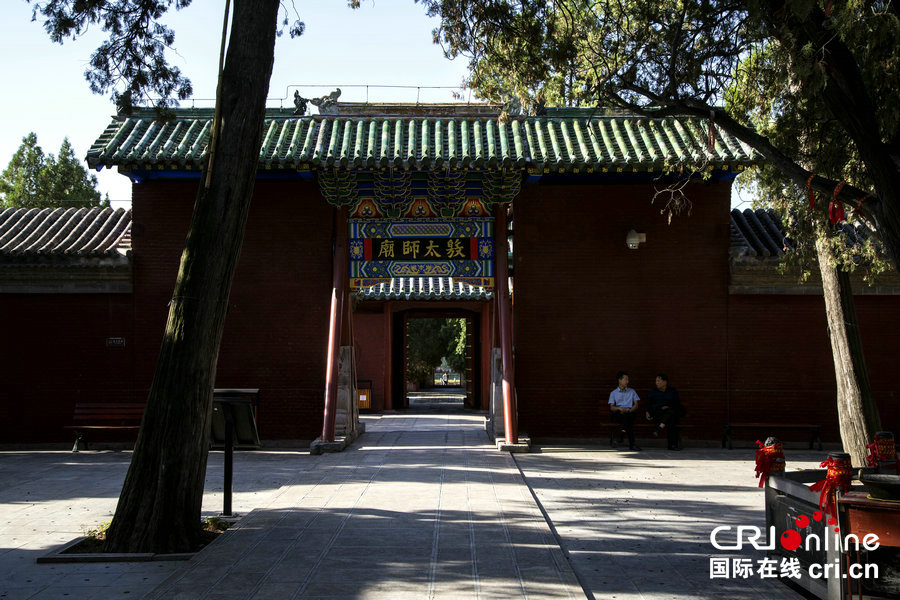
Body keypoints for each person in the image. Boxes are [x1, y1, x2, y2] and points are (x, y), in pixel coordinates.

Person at [645, 373, 684, 451]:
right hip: (658, 414)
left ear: (665, 382)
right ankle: (672, 445)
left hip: (670, 412)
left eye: (659, 381)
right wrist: (647, 412)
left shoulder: (672, 391)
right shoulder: (653, 392)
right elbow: (648, 404)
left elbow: (677, 403)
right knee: (670, 418)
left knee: (671, 416)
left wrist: (668, 406)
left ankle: (659, 428)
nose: (657, 383)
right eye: (656, 381)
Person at [608, 371, 641, 451]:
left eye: (628, 379)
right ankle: (631, 444)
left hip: (629, 413)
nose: (627, 381)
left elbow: (636, 405)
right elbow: (611, 407)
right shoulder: (613, 393)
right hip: (619, 414)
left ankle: (622, 434)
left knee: (629, 417)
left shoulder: (632, 391)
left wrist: (629, 410)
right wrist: (619, 408)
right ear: (620, 380)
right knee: (628, 422)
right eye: (625, 379)